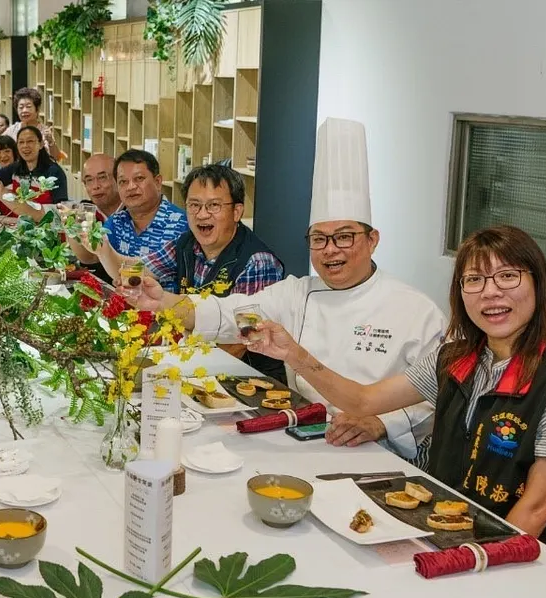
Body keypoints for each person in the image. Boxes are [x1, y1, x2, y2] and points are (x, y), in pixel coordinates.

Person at [246, 225, 546, 581]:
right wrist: (293, 355)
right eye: (475, 280)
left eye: (507, 276)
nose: (491, 293)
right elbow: (363, 399)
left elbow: (537, 509)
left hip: (545, 565)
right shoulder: (456, 358)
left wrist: (469, 568)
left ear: (538, 285)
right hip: (461, 537)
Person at [135, 118, 444, 461]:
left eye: (344, 237)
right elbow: (227, 313)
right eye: (319, 239)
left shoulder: (417, 311)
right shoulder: (296, 293)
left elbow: (438, 399)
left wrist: (381, 423)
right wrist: (163, 300)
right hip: (297, 430)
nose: (330, 250)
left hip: (377, 450)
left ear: (372, 240)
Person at [87, 164, 285, 379]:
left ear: (236, 211)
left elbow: (243, 342)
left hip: (246, 380)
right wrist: (103, 249)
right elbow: (136, 273)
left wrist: (176, 371)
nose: (202, 214)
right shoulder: (187, 243)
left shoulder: (257, 262)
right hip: (195, 363)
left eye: (214, 206)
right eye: (194, 205)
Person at [70, 149, 187, 261]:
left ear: (157, 182)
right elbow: (91, 256)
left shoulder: (181, 224)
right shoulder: (117, 221)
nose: (130, 187)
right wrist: (70, 225)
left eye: (139, 178)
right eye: (123, 182)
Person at [0, 125, 69, 221]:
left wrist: (2, 193)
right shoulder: (16, 168)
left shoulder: (54, 172)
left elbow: (61, 212)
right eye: (21, 142)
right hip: (16, 226)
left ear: (41, 144)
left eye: (30, 141)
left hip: (45, 230)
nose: (25, 146)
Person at [3, 87, 66, 162]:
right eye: (21, 107)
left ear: (37, 109)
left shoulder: (45, 131)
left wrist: (50, 142)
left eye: (28, 107)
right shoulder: (12, 129)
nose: (24, 110)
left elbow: (56, 158)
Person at [79, 153, 122, 220]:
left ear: (118, 179)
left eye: (102, 177)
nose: (95, 186)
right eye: (89, 180)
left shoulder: (135, 213)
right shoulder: (83, 214)